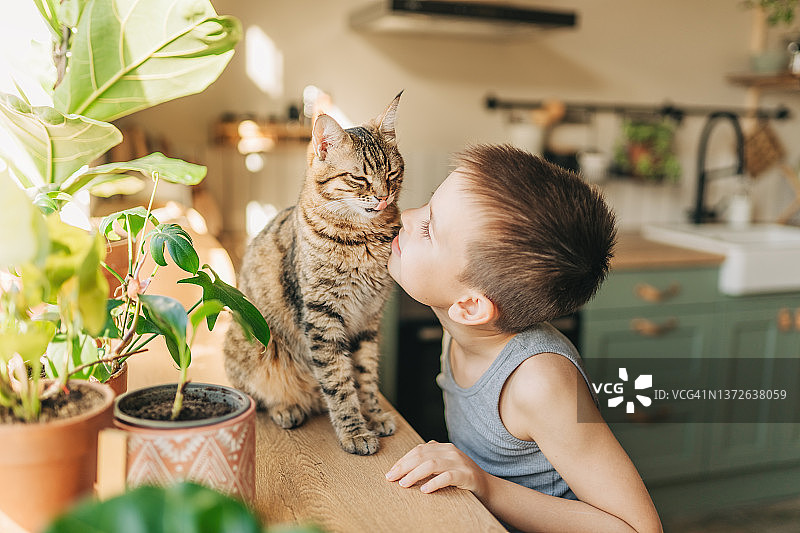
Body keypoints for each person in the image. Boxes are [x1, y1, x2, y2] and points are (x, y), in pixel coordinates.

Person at [385, 144, 662, 532]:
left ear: (470, 306)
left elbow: (637, 529)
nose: (407, 216)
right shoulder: (460, 331)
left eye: (429, 229)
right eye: (427, 205)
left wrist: (483, 485)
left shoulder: (538, 381)